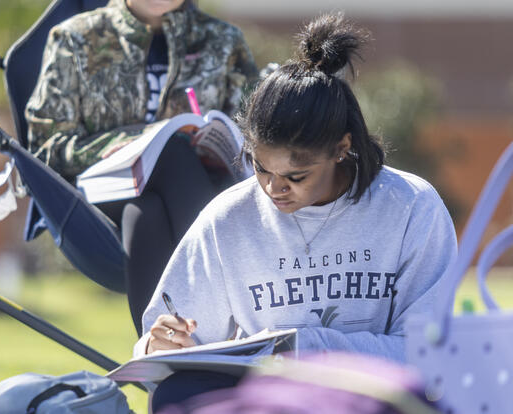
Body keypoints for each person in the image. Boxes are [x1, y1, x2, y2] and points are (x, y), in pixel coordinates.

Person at [135, 13, 458, 411]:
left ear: (342, 148)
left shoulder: (411, 205)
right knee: (175, 394)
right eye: (260, 168)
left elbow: (428, 355)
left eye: (296, 175)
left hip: (371, 396)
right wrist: (160, 342)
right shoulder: (228, 217)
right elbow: (170, 353)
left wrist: (308, 347)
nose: (273, 188)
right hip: (272, 396)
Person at [25, 0, 258, 332]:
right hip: (104, 195)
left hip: (192, 188)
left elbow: (252, 133)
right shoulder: (76, 38)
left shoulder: (222, 41)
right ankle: (234, 307)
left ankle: (160, 356)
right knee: (172, 152)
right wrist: (135, 140)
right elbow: (45, 147)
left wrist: (217, 143)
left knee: (146, 211)